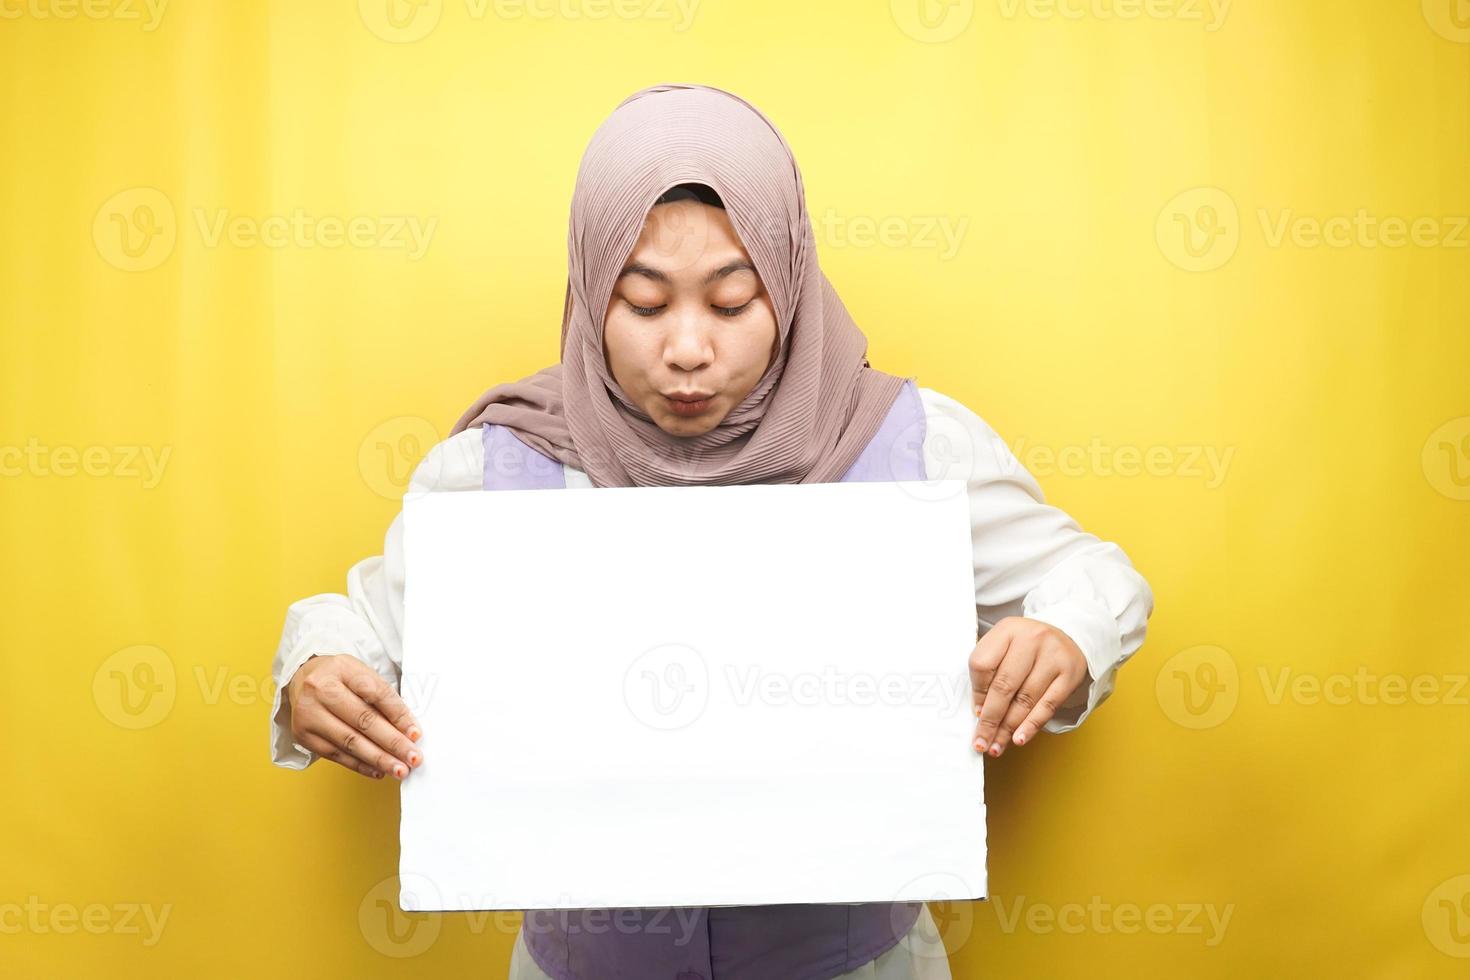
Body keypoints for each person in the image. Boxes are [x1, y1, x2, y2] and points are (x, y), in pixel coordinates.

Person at [268, 83, 1154, 980]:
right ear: (587, 292)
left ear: (791, 285)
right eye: (644, 305)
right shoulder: (499, 470)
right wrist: (323, 674)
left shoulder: (910, 446)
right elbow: (362, 629)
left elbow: (1095, 577)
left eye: (732, 303)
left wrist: (1065, 637)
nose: (688, 349)